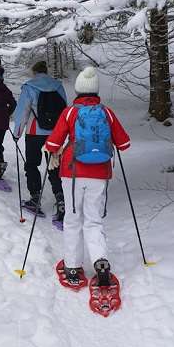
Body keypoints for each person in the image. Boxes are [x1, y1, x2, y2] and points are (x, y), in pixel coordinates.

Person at [42, 66, 131, 287]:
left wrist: (53, 149)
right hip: (100, 173)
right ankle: (100, 261)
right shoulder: (106, 112)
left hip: (72, 173)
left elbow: (53, 143)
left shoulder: (71, 112)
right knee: (93, 220)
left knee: (73, 220)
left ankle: (72, 266)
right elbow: (125, 143)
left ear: (78, 90)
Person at [12, 61, 67, 222]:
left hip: (35, 132)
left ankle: (35, 198)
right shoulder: (58, 86)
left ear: (34, 72)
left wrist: (17, 134)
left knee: (32, 164)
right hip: (55, 135)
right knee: (54, 166)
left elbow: (22, 112)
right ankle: (61, 200)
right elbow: (64, 110)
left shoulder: (29, 86)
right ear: (46, 71)